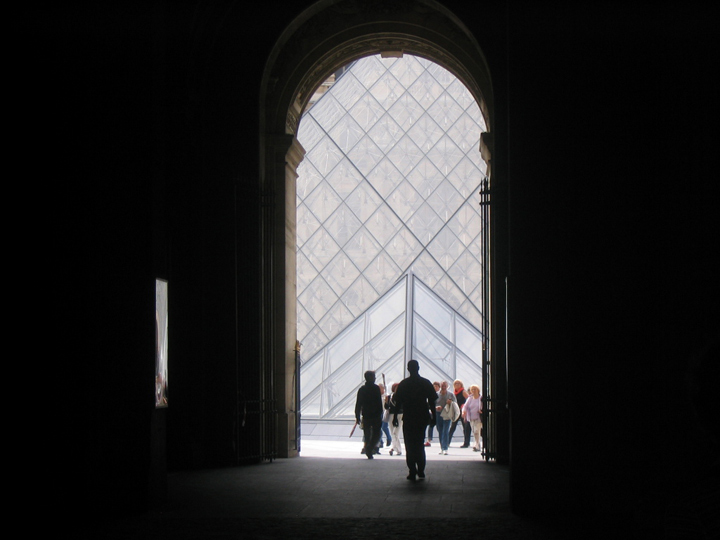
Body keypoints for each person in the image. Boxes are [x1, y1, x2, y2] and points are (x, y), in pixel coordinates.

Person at [391, 360, 437, 481]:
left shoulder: (404, 384)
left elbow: (398, 403)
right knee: (419, 443)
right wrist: (434, 417)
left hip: (409, 417)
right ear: (418, 368)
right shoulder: (425, 383)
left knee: (410, 445)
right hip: (422, 416)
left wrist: (395, 417)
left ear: (408, 369)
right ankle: (421, 469)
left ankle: (412, 470)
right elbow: (432, 401)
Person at [355, 370, 383, 459]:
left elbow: (358, 403)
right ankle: (370, 448)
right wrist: (380, 413)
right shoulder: (376, 388)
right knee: (376, 434)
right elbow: (379, 402)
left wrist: (357, 415)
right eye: (374, 376)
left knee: (367, 434)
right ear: (371, 378)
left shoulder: (362, 389)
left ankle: (368, 448)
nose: (375, 378)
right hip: (375, 415)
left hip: (366, 415)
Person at [434, 380, 457, 455]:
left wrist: (451, 403)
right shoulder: (436, 394)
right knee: (440, 430)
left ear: (447, 386)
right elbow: (432, 404)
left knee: (445, 430)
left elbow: (455, 404)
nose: (443, 387)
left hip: (447, 414)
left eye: (445, 386)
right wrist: (436, 407)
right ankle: (442, 447)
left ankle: (445, 448)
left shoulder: (451, 394)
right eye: (442, 385)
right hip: (439, 414)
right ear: (440, 386)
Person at [448, 379, 471, 448]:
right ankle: (447, 442)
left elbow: (469, 400)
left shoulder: (463, 391)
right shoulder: (454, 393)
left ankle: (466, 442)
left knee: (465, 427)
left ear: (461, 385)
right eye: (455, 384)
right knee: (453, 426)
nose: (457, 385)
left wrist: (464, 406)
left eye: (458, 383)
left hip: (462, 411)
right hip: (456, 411)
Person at [463, 384, 483, 452]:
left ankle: (477, 445)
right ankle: (477, 444)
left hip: (478, 418)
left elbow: (484, 406)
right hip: (471, 418)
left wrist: (481, 410)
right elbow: (465, 406)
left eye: (475, 389)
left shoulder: (481, 398)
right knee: (474, 432)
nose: (473, 391)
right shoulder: (470, 398)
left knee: (476, 431)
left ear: (478, 390)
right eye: (472, 390)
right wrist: (464, 412)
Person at [386, 382, 403, 456]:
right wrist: (386, 401)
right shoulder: (389, 397)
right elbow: (386, 407)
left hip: (400, 415)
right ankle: (398, 449)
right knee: (393, 432)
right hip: (391, 415)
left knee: (395, 432)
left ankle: (393, 448)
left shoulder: (402, 397)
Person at [424, 381, 441, 447]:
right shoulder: (434, 395)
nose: (435, 387)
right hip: (434, 412)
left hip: (439, 413)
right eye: (434, 386)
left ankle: (441, 440)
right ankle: (429, 440)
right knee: (431, 427)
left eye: (436, 386)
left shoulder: (439, 394)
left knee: (439, 427)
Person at [379, 383, 392, 448]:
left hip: (385, 413)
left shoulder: (386, 395)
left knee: (384, 427)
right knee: (379, 428)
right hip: (379, 412)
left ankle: (389, 438)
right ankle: (380, 442)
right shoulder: (377, 395)